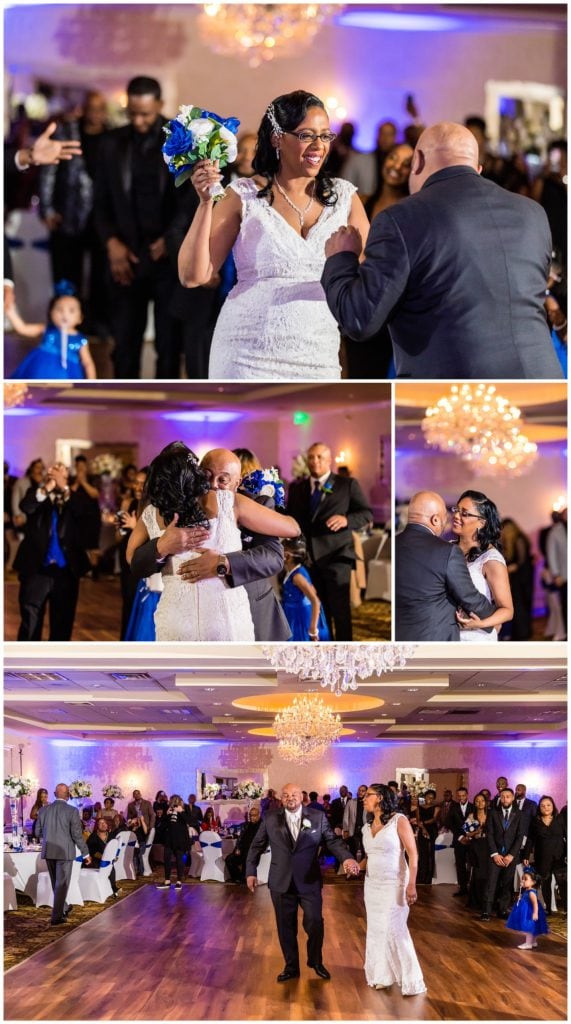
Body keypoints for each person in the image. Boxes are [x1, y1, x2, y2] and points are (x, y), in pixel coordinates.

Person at [321, 122, 563, 380]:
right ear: (477, 168)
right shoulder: (532, 213)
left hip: (456, 389)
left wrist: (341, 258)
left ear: (418, 161)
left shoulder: (402, 218)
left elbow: (360, 319)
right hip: (544, 381)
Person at [179, 90, 370, 380]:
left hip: (318, 352)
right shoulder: (242, 196)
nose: (319, 146)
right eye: (307, 135)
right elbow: (193, 276)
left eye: (325, 136)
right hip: (245, 353)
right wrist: (206, 203)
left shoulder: (345, 198)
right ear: (277, 138)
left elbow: (372, 277)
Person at [127, 443, 299, 641]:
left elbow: (275, 555)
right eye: (207, 476)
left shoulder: (244, 503)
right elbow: (134, 559)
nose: (214, 485)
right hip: (178, 619)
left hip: (239, 614)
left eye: (223, 479)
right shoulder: (158, 511)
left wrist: (223, 563)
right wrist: (162, 545)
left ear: (237, 482)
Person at [93, 76, 179, 378]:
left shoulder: (180, 140)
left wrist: (171, 239)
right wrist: (111, 243)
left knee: (168, 348)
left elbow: (189, 202)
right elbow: (100, 202)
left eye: (146, 113)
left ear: (159, 105)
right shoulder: (110, 144)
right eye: (133, 113)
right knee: (125, 347)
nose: (139, 121)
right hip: (126, 257)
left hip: (168, 259)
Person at [246, 783, 360, 982]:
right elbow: (256, 845)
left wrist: (347, 858)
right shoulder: (271, 818)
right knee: (285, 927)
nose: (291, 797)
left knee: (315, 922)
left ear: (302, 797)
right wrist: (250, 871)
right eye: (286, 794)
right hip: (281, 881)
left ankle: (315, 961)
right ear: (282, 798)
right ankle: (291, 967)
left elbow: (332, 841)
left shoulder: (317, 817)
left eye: (295, 794)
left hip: (309, 881)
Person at [286, 442, 372, 640]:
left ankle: (344, 652)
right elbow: (290, 518)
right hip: (307, 558)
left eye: (320, 457)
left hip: (337, 555)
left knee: (340, 609)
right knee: (318, 608)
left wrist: (346, 520)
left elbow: (366, 513)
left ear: (329, 459)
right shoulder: (297, 488)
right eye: (311, 457)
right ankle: (324, 649)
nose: (315, 461)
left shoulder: (347, 484)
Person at [395, 491, 495, 641]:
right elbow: (468, 596)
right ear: (435, 520)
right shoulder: (447, 551)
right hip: (435, 639)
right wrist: (493, 620)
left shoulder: (394, 544)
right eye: (444, 520)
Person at [360, 783, 426, 995]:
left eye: (367, 795)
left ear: (379, 797)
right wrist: (355, 865)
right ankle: (381, 976)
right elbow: (370, 856)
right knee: (377, 930)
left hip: (394, 884)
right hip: (372, 885)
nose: (363, 798)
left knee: (394, 930)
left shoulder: (399, 820)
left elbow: (413, 854)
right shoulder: (366, 825)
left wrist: (412, 884)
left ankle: (411, 979)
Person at [13, 461, 90, 640]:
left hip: (66, 571)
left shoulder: (76, 498)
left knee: (62, 623)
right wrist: (47, 488)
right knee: (30, 620)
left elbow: (83, 511)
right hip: (36, 569)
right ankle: (27, 663)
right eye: (52, 474)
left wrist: (64, 488)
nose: (55, 477)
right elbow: (26, 506)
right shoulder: (37, 495)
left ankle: (58, 666)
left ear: (67, 478)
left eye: (60, 473)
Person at [451, 491, 513, 641]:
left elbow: (507, 610)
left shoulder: (491, 559)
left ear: (482, 522)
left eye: (464, 513)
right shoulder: (447, 549)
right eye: (457, 510)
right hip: (446, 634)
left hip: (475, 637)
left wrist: (480, 623)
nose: (456, 516)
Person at [7, 283, 96, 379]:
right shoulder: (47, 329)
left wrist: (92, 381)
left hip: (67, 374)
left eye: (71, 310)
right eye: (59, 309)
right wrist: (10, 311)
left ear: (80, 318)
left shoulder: (80, 340)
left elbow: (87, 363)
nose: (64, 314)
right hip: (40, 370)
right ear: (51, 313)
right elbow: (22, 328)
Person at [37, 783, 91, 925]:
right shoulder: (72, 811)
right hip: (64, 852)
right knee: (61, 884)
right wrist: (86, 854)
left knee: (56, 883)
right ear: (68, 796)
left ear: (55, 795)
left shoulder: (43, 810)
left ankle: (64, 907)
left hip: (49, 851)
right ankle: (57, 917)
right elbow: (77, 835)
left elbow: (36, 832)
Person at [481, 788, 523, 921]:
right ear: (500, 798)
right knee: (491, 883)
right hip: (496, 855)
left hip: (511, 856)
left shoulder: (520, 814)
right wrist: (494, 853)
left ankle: (502, 909)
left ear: (513, 798)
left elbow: (520, 836)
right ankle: (486, 911)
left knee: (507, 883)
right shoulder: (493, 813)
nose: (505, 799)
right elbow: (490, 834)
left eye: (508, 796)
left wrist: (511, 855)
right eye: (503, 796)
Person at [522, 796, 566, 916]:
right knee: (546, 883)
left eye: (548, 805)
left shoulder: (561, 818)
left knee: (563, 883)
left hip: (560, 856)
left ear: (553, 806)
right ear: (539, 808)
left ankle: (567, 909)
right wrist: (526, 855)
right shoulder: (535, 821)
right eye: (542, 805)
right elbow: (530, 840)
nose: (546, 807)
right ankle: (548, 909)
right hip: (542, 856)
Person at [281, 536, 330, 641]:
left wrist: (313, 629)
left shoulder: (297, 577)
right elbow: (313, 590)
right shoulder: (296, 571)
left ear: (287, 556)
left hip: (300, 618)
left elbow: (315, 601)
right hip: (292, 614)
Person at [500, 518, 534, 640]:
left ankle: (522, 634)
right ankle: (519, 633)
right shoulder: (515, 539)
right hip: (519, 579)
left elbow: (521, 562)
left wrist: (507, 569)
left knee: (520, 606)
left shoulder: (519, 539)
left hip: (522, 580)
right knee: (518, 606)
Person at [505, 867, 549, 949]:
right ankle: (533, 942)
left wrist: (535, 913)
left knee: (529, 928)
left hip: (530, 912)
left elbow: (535, 903)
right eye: (522, 879)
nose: (522, 881)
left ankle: (528, 943)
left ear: (533, 882)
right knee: (534, 927)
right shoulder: (527, 891)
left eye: (525, 879)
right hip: (528, 910)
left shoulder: (531, 892)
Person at [156, 794, 191, 890]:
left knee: (179, 859)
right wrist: (166, 815)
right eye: (173, 801)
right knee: (166, 859)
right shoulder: (168, 810)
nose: (174, 803)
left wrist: (182, 812)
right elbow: (161, 826)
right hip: (169, 839)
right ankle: (167, 881)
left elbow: (190, 821)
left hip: (180, 839)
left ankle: (179, 881)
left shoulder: (185, 809)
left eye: (176, 801)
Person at [447, 787, 475, 897]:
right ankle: (462, 888)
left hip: (472, 840)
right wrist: (460, 837)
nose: (461, 797)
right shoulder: (453, 807)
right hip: (459, 841)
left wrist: (469, 837)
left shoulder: (473, 807)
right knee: (460, 864)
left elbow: (476, 822)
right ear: (457, 796)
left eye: (463, 795)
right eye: (459, 795)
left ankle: (472, 887)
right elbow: (449, 823)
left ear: (467, 795)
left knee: (472, 864)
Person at [85, 816, 121, 896]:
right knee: (106, 865)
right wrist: (103, 857)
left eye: (104, 823)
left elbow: (115, 848)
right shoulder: (93, 837)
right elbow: (90, 851)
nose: (103, 824)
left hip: (108, 860)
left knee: (110, 865)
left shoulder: (111, 836)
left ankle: (113, 887)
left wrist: (115, 856)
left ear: (107, 825)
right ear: (97, 826)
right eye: (100, 823)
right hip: (96, 860)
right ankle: (109, 888)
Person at [225, 806, 262, 884]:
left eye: (254, 815)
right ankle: (237, 878)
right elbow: (240, 838)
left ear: (259, 815)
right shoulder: (246, 825)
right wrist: (237, 848)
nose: (252, 818)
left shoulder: (263, 826)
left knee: (247, 857)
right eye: (250, 815)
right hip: (242, 850)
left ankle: (243, 878)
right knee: (229, 859)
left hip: (253, 852)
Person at [416, 790, 439, 885]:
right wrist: (423, 828)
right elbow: (418, 820)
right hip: (422, 831)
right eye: (428, 797)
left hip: (432, 831)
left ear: (434, 799)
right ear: (424, 797)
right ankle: (422, 876)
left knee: (430, 853)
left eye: (431, 798)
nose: (429, 799)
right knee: (422, 853)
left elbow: (434, 819)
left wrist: (424, 824)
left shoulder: (436, 808)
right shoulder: (419, 808)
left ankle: (429, 877)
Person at [343, 784, 368, 860]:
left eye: (363, 791)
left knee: (365, 849)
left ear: (366, 792)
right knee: (353, 849)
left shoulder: (369, 802)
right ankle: (353, 867)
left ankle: (363, 868)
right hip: (353, 829)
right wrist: (346, 829)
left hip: (365, 829)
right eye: (359, 790)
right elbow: (346, 816)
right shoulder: (351, 802)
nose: (360, 792)